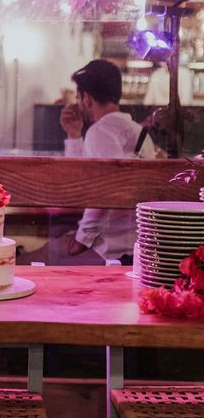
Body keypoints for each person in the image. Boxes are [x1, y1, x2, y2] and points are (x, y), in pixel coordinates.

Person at [60, 59, 156, 264]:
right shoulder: (139, 133)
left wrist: (82, 239)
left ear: (87, 98)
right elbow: (84, 180)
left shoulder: (100, 131)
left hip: (109, 251)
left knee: (42, 257)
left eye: (78, 96)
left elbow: (104, 191)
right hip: (136, 246)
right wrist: (74, 134)